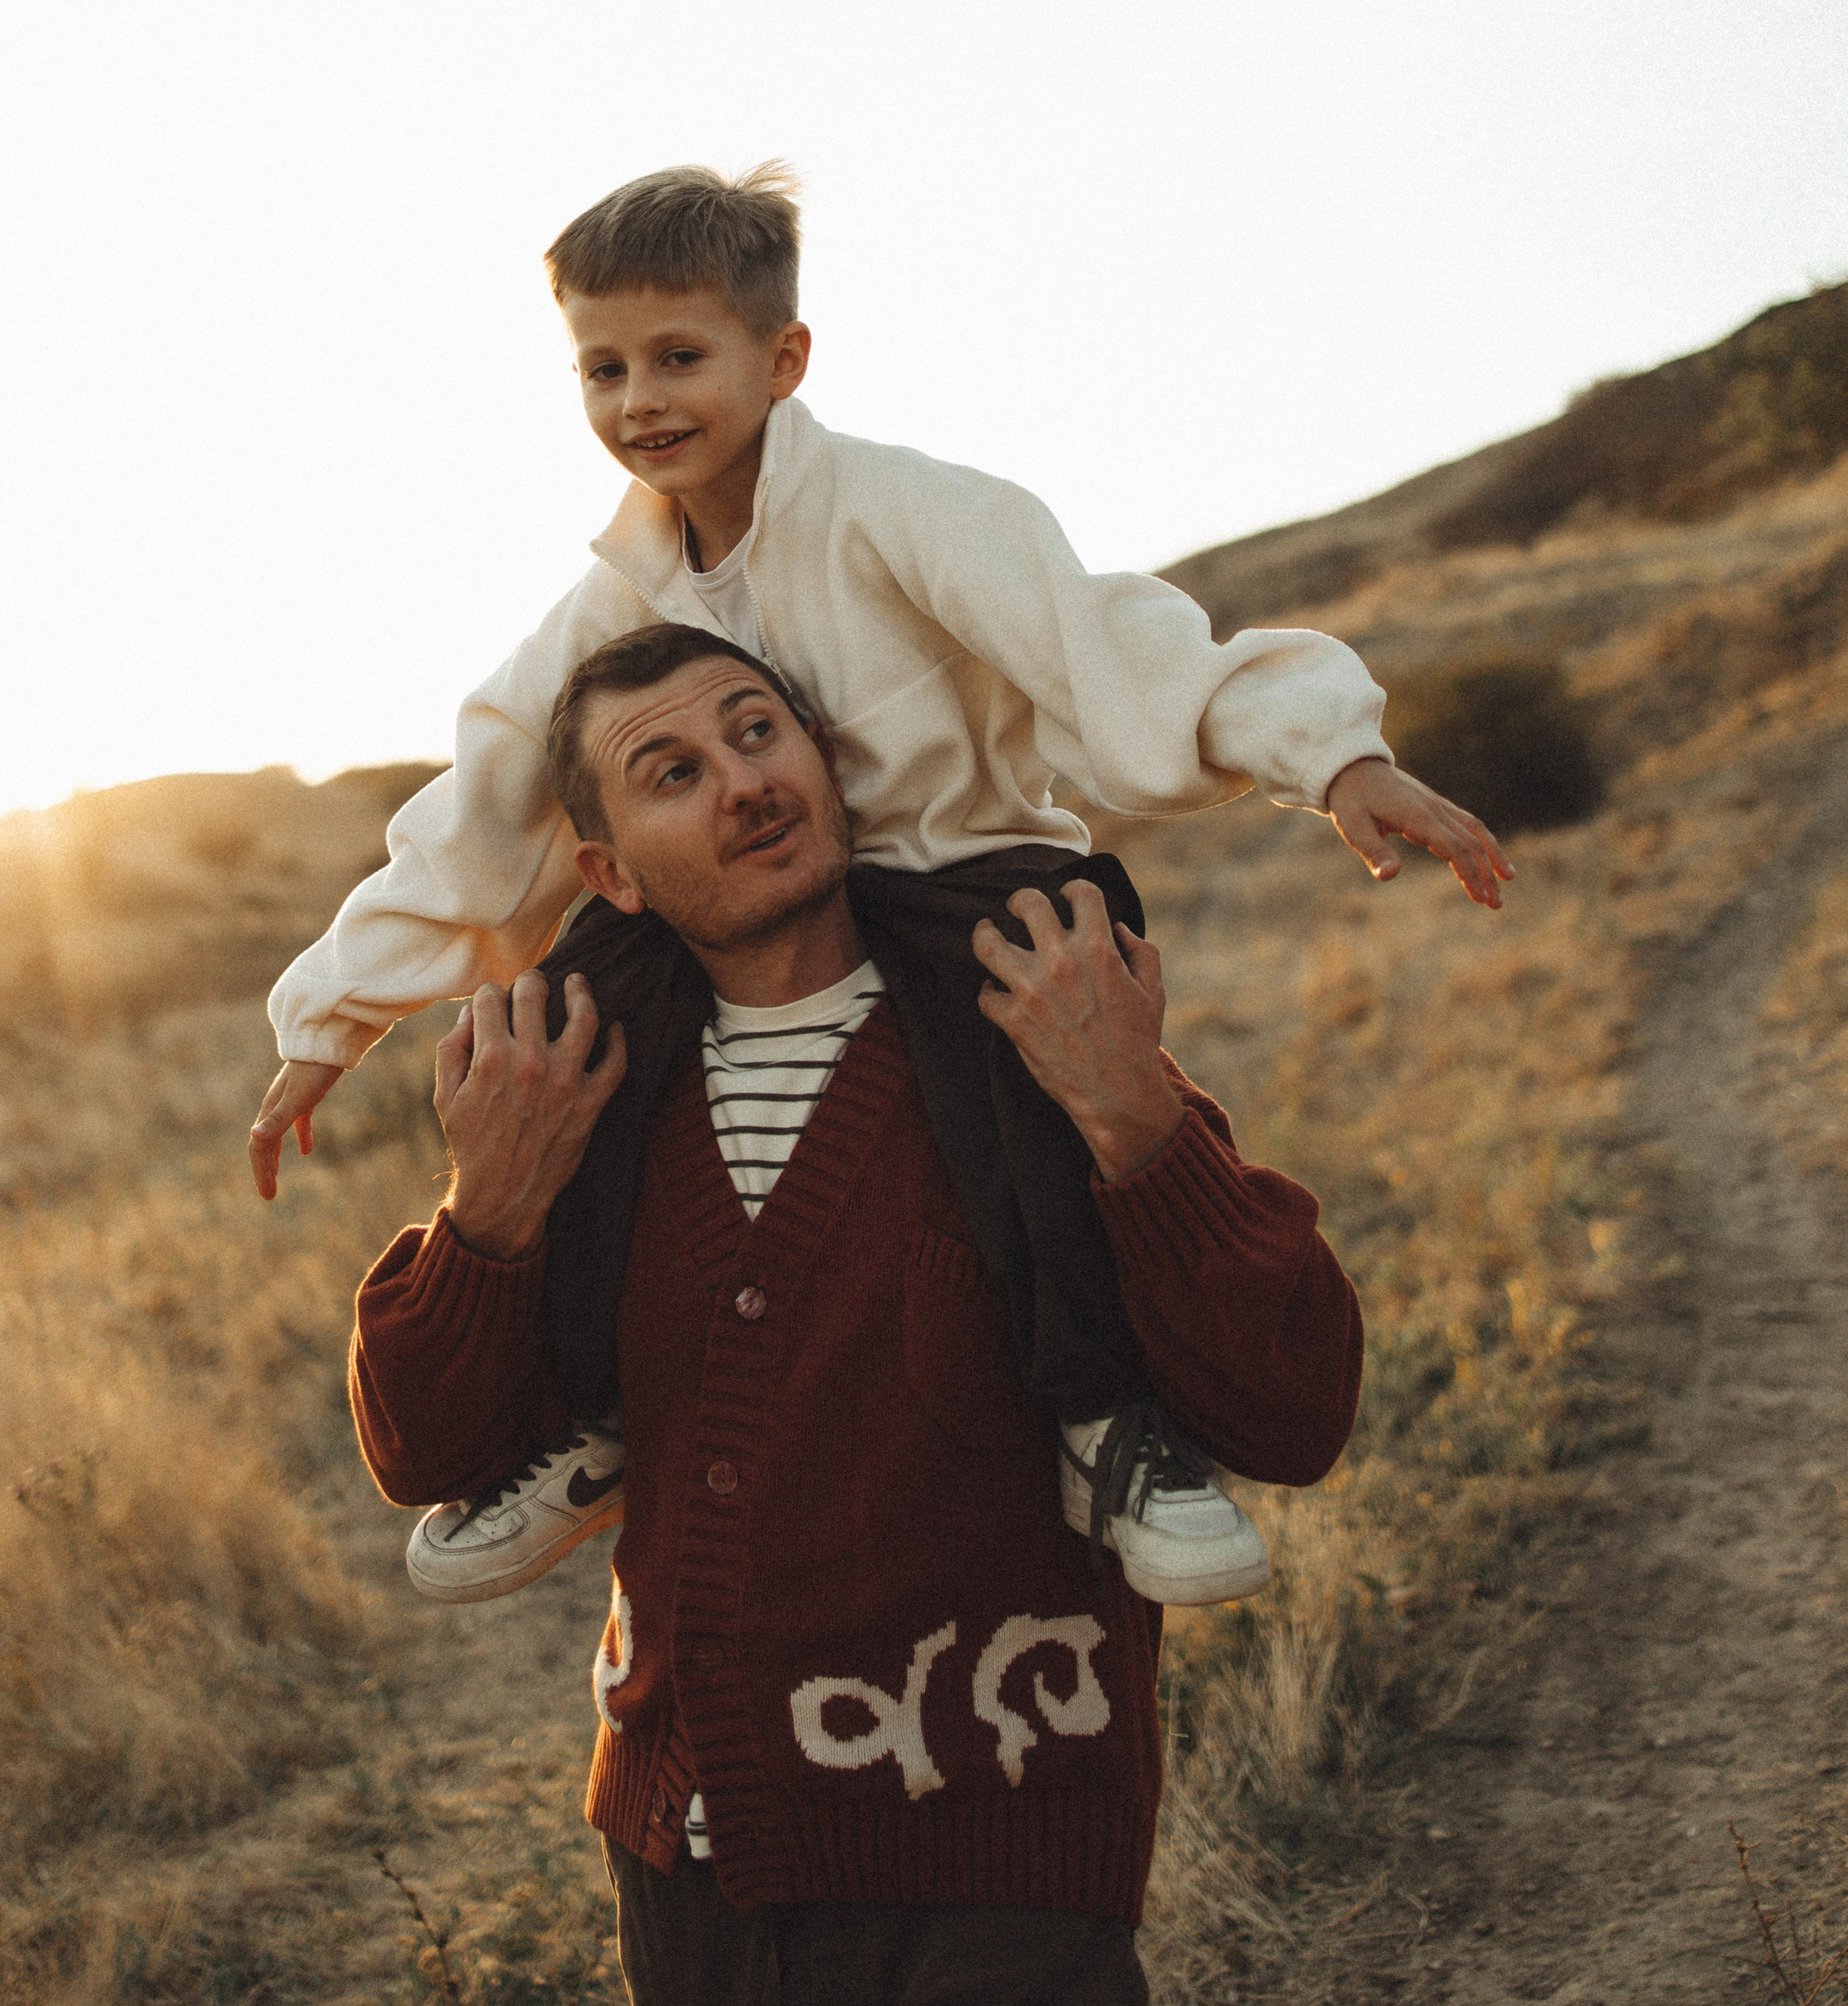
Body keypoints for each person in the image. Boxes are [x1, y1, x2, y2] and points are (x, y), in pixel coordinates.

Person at [255, 163, 1510, 1599]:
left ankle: (1107, 1418)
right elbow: (486, 799)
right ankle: (591, 1417)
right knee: (573, 1014)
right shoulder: (617, 591)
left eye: (679, 356)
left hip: (977, 886)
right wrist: (329, 1021)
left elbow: (1104, 643)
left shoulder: (909, 510)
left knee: (1023, 1102)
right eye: (602, 368)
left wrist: (1337, 761)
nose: (639, 399)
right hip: (750, 905)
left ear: (782, 358)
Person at [349, 631, 1365, 2004]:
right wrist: (490, 1212)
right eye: (672, 772)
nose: (743, 784)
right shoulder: (583, 1095)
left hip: (998, 1870)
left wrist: (1135, 1115)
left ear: (829, 758)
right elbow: (425, 1457)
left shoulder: (1028, 1033)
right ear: (613, 876)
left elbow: (1296, 1405)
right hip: (683, 1867)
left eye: (758, 732)